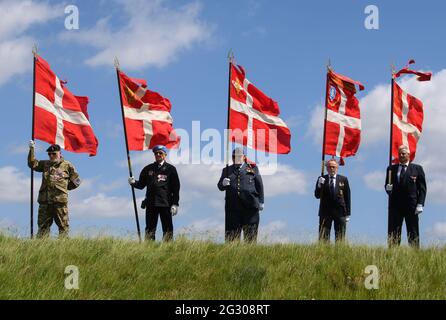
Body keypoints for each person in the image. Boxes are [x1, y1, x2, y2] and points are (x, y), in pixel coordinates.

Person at [28, 141, 81, 238]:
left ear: (60, 153)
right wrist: (31, 149)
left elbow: (77, 181)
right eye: (49, 154)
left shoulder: (67, 165)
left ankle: (64, 249)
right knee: (43, 227)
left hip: (60, 202)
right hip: (45, 201)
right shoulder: (45, 164)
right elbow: (32, 164)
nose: (51, 156)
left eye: (54, 153)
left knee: (63, 227)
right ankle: (40, 249)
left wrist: (65, 188)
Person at [128, 145, 180, 241]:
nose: (158, 155)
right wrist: (133, 182)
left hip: (166, 203)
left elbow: (176, 188)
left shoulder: (171, 169)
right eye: (156, 153)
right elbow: (141, 185)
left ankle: (168, 248)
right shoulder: (148, 169)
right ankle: (149, 248)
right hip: (151, 203)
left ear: (165, 155)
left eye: (160, 153)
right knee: (150, 229)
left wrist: (175, 204)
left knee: (167, 228)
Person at [217, 147, 264, 243]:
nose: (237, 158)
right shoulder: (226, 170)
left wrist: (261, 201)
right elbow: (220, 186)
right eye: (234, 156)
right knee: (231, 238)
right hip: (233, 208)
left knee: (250, 237)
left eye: (239, 156)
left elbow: (259, 185)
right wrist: (223, 183)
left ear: (244, 157)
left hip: (250, 207)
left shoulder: (253, 168)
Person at [385, 145, 427, 248]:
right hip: (395, 206)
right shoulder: (391, 169)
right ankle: (392, 253)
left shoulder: (417, 169)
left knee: (413, 231)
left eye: (403, 153)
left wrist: (420, 203)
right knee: (394, 232)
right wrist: (388, 188)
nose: (401, 155)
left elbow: (422, 188)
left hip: (411, 206)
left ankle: (414, 253)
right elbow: (387, 185)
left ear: (408, 154)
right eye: (399, 153)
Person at [314, 159, 351, 243]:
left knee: (340, 236)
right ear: (326, 168)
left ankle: (339, 253)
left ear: (337, 168)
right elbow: (317, 195)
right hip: (325, 211)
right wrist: (319, 185)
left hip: (340, 212)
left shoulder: (343, 179)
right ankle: (324, 252)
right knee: (324, 235)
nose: (332, 169)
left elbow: (347, 197)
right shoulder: (322, 178)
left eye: (333, 167)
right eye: (329, 167)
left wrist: (348, 213)